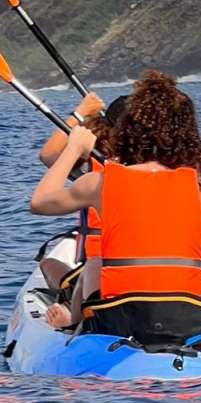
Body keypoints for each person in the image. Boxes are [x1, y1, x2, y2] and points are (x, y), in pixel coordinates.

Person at [30, 71, 201, 339]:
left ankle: (73, 319)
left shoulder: (99, 183)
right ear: (187, 135)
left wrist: (74, 149)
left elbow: (39, 202)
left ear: (128, 130)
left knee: (97, 259)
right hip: (187, 318)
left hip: (118, 318)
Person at [34, 93, 127, 298]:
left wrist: (79, 113)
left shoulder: (93, 175)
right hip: (138, 268)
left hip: (99, 267)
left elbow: (48, 155)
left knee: (49, 264)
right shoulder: (162, 169)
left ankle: (72, 299)